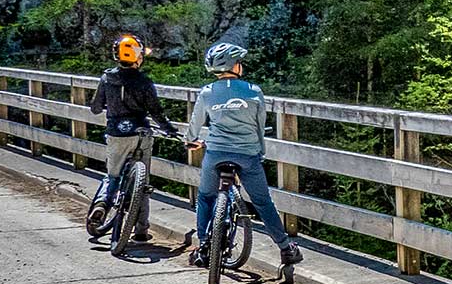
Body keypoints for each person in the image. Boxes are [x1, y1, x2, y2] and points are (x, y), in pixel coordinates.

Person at [185, 43, 302, 269]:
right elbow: (260, 127)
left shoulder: (207, 92)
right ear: (235, 65)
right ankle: (286, 248)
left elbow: (195, 124)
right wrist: (260, 152)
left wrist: (190, 140)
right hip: (248, 154)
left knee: (206, 197)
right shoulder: (254, 91)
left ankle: (203, 247)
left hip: (216, 153)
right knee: (262, 202)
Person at [89, 33, 180, 242]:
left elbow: (94, 108)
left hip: (116, 134)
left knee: (112, 176)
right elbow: (156, 111)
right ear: (138, 57)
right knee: (143, 181)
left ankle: (102, 204)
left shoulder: (106, 78)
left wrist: (107, 104)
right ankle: (140, 230)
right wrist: (170, 129)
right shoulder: (144, 81)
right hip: (140, 134)